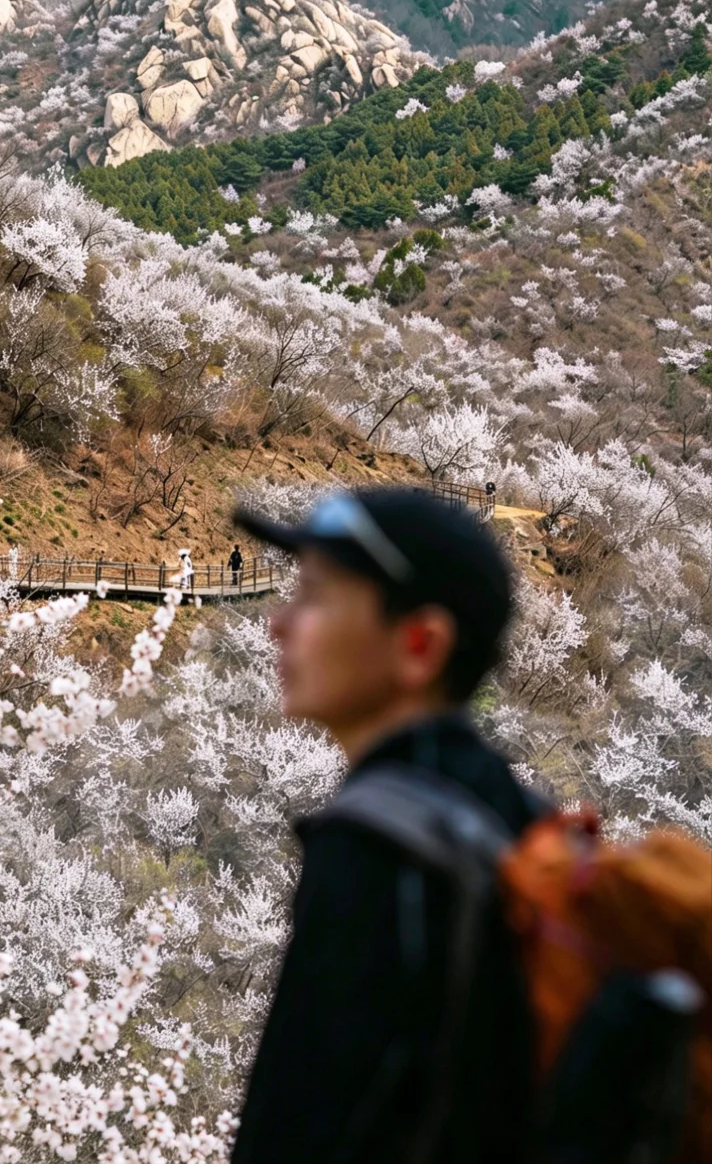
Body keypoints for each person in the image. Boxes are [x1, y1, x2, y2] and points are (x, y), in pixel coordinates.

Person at [230, 487, 537, 1164]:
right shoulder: (513, 812)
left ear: (419, 644)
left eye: (313, 595)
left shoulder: (381, 843)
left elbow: (296, 1129)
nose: (279, 623)